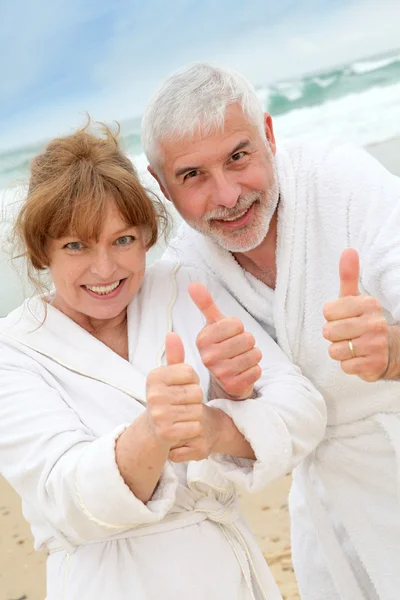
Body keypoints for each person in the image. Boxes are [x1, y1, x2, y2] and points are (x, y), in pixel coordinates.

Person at [0, 121, 326, 600]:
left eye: (123, 240)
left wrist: (219, 420)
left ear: (147, 236)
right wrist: (153, 431)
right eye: (76, 245)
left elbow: (303, 410)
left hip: (227, 575)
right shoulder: (14, 350)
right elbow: (61, 495)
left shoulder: (186, 288)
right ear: (41, 250)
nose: (105, 269)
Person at [141, 63, 400, 600]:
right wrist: (229, 393)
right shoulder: (185, 269)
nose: (229, 194)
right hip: (330, 506)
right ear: (160, 184)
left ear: (270, 135)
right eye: (193, 176)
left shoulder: (341, 180)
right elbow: (222, 447)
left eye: (239, 156)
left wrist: (393, 352)